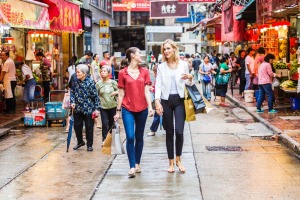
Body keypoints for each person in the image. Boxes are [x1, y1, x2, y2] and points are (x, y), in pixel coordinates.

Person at [113, 47, 154, 178]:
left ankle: (137, 163)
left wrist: (150, 107)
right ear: (132, 55)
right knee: (130, 137)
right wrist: (118, 111)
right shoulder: (122, 73)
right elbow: (121, 93)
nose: (141, 56)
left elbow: (147, 91)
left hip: (142, 108)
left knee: (139, 137)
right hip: (127, 108)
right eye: (139, 54)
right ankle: (131, 166)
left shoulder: (145, 71)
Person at [155, 39, 193, 174]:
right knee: (169, 133)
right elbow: (158, 85)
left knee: (179, 131)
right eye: (164, 49)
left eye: (168, 48)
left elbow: (188, 83)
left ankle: (179, 159)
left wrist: (190, 78)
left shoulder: (183, 64)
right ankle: (170, 162)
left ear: (174, 49)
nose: (166, 51)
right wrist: (157, 101)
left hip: (179, 100)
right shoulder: (161, 66)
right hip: (165, 101)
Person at [70, 64, 101, 152]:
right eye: (76, 72)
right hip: (78, 108)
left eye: (78, 72)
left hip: (88, 108)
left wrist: (96, 109)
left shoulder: (90, 82)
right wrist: (72, 102)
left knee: (89, 127)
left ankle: (89, 144)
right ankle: (80, 142)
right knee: (77, 126)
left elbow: (95, 96)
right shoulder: (75, 81)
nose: (77, 73)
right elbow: (72, 91)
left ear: (84, 73)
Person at [96, 65, 118, 143]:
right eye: (101, 71)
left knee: (112, 124)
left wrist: (116, 92)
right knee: (105, 124)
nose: (102, 72)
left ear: (109, 73)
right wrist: (96, 108)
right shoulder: (98, 84)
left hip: (113, 106)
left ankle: (111, 138)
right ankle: (104, 139)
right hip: (103, 107)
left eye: (104, 71)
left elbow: (120, 92)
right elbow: (95, 95)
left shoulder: (113, 82)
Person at [148, 65, 160, 136]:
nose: (154, 75)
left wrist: (153, 89)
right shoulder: (157, 80)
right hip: (159, 100)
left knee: (157, 116)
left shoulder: (160, 79)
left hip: (161, 100)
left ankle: (153, 130)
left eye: (155, 73)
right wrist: (152, 88)